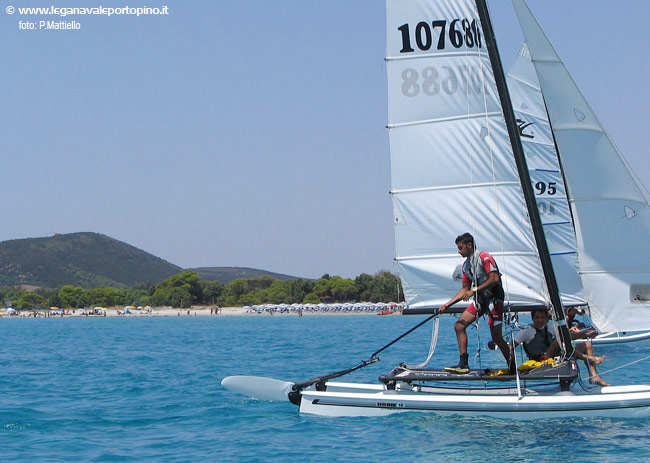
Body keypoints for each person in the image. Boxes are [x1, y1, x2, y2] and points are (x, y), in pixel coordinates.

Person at [439, 233, 510, 373]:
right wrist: (448, 304)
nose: (458, 251)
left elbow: (494, 279)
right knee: (459, 326)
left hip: (494, 300)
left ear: (469, 245)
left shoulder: (484, 257)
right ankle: (463, 363)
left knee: (496, 337)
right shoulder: (466, 266)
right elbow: (465, 290)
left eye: (460, 248)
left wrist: (474, 290)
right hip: (480, 301)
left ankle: (512, 365)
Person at [511, 308, 609, 387]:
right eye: (537, 317)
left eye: (542, 317)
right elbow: (511, 346)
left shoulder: (549, 328)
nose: (540, 320)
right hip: (540, 362)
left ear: (546, 318)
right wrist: (511, 365)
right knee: (558, 341)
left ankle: (593, 377)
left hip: (554, 359)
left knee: (586, 345)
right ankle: (589, 359)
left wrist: (586, 334)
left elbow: (567, 336)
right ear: (532, 318)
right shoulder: (527, 330)